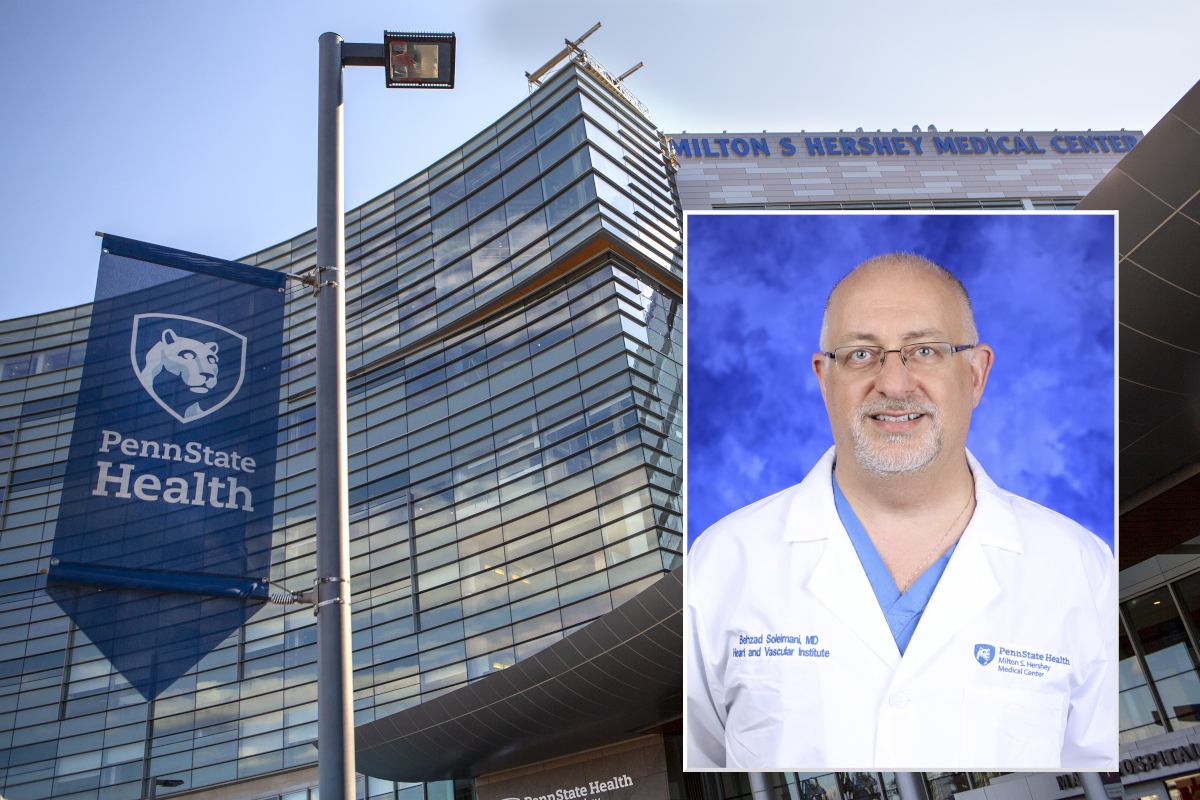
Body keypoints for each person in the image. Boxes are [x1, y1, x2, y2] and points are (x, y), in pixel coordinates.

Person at [685, 253, 1114, 769]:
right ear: (825, 378)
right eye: (862, 354)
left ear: (975, 374)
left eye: (925, 350)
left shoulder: (1079, 568)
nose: (893, 383)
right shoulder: (722, 563)